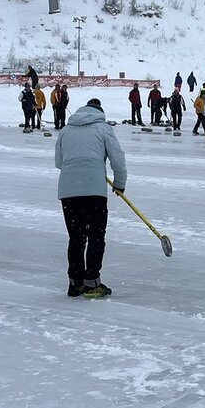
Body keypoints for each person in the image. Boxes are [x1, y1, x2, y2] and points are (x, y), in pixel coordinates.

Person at [54, 98, 127, 298]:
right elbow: (118, 159)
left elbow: (59, 162)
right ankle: (92, 283)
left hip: (68, 191)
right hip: (94, 191)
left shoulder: (65, 130)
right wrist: (120, 183)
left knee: (76, 238)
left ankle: (75, 283)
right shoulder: (103, 129)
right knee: (96, 236)